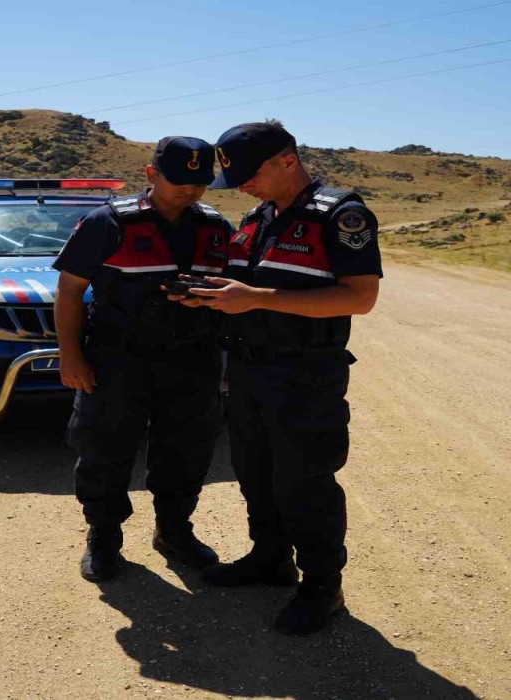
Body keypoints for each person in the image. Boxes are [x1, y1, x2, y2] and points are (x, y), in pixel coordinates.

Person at [176, 122, 382, 634]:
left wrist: (256, 300)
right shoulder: (258, 217)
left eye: (250, 175)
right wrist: (210, 293)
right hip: (247, 369)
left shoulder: (340, 215)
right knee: (256, 473)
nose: (243, 186)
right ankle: (269, 558)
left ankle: (322, 587)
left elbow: (360, 297)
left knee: (304, 481)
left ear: (288, 160)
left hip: (303, 374)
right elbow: (248, 288)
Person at [53, 136, 236, 582]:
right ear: (152, 174)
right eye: (178, 181)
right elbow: (70, 291)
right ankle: (104, 538)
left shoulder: (216, 228)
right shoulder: (108, 222)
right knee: (104, 450)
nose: (189, 190)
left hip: (193, 360)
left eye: (200, 182)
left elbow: (235, 293)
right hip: (117, 360)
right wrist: (71, 356)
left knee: (187, 452)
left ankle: (174, 531)